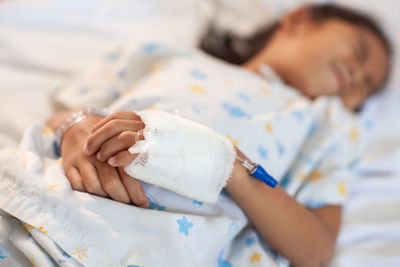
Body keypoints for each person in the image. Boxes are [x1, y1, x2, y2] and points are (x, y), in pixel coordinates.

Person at [46, 4, 391, 267]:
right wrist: (74, 127)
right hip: (47, 205)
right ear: (299, 19)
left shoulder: (329, 127)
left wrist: (228, 166)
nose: (358, 75)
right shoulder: (168, 57)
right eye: (358, 52)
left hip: (146, 252)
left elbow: (317, 250)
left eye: (368, 85)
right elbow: (63, 113)